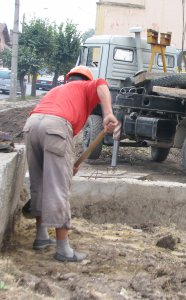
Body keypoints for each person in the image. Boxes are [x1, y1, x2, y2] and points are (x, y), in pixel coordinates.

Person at [23, 66, 119, 262]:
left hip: (31, 126)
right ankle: (63, 250)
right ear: (85, 80)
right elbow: (102, 83)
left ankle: (41, 237)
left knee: (39, 184)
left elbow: (61, 137)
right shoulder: (85, 86)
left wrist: (70, 164)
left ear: (68, 79)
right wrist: (108, 113)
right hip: (55, 127)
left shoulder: (58, 90)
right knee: (59, 188)